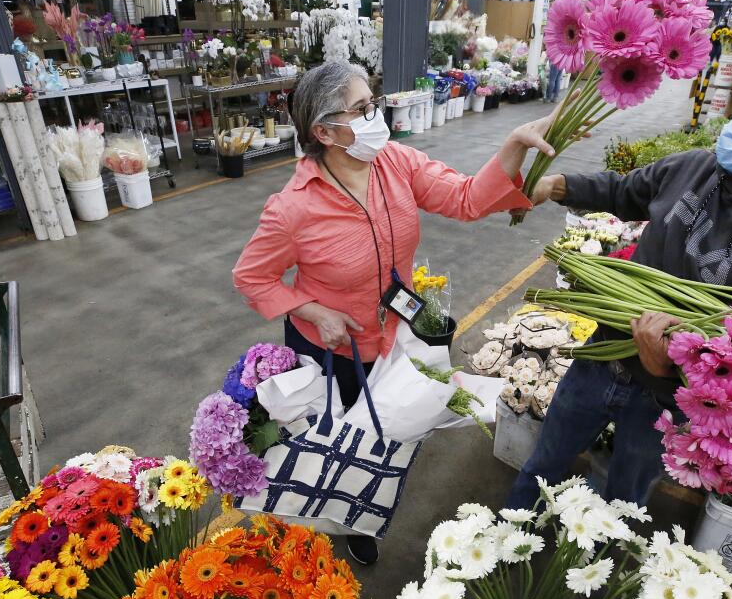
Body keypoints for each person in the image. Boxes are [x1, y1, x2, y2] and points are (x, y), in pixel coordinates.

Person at [505, 53, 732, 511]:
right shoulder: (696, 168)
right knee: (542, 464)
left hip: (661, 403)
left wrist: (663, 372)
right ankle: (508, 534)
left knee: (623, 501)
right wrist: (553, 186)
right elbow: (625, 191)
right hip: (599, 358)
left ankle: (589, 567)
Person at [233, 61, 553, 564]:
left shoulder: (396, 163)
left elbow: (466, 199)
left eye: (372, 103)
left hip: (392, 337)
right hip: (330, 351)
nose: (374, 116)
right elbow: (251, 277)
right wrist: (314, 311)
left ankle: (359, 515)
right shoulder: (291, 209)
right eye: (361, 110)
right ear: (324, 131)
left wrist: (512, 145)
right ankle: (317, 520)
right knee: (330, 439)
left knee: (380, 439)